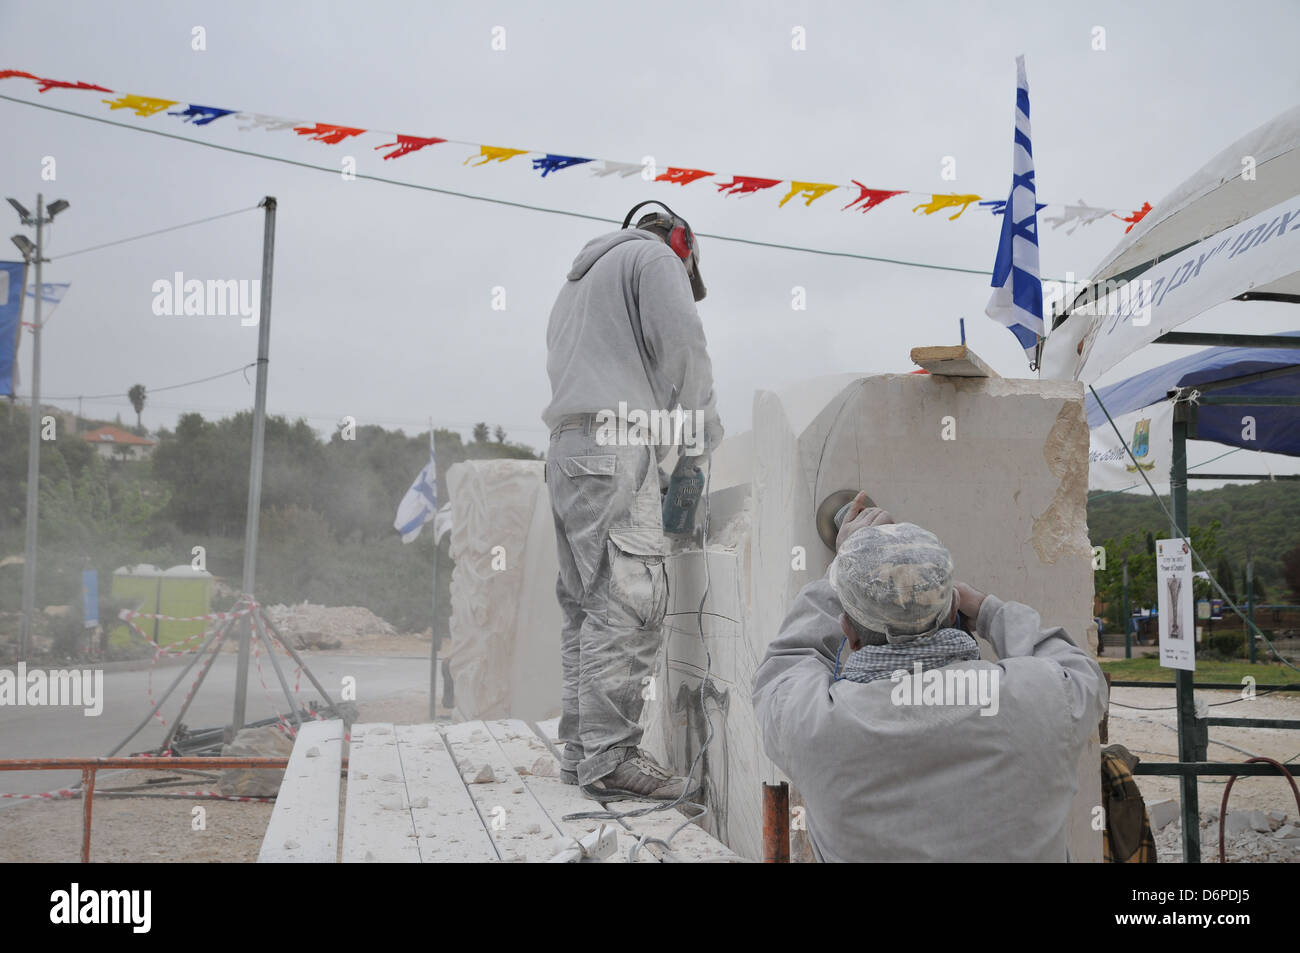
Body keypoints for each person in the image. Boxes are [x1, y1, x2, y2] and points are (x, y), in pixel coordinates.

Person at [752, 494, 1107, 861]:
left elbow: (789, 660)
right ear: (953, 609)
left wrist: (843, 569)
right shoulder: (1043, 699)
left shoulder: (813, 726)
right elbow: (1080, 671)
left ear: (849, 633)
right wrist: (990, 611)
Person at [542, 201, 723, 801]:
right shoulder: (656, 258)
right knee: (631, 602)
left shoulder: (581, 281)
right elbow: (685, 349)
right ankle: (613, 757)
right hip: (615, 446)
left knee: (588, 607)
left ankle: (582, 753)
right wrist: (701, 433)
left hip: (569, 450)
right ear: (682, 244)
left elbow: (619, 369)